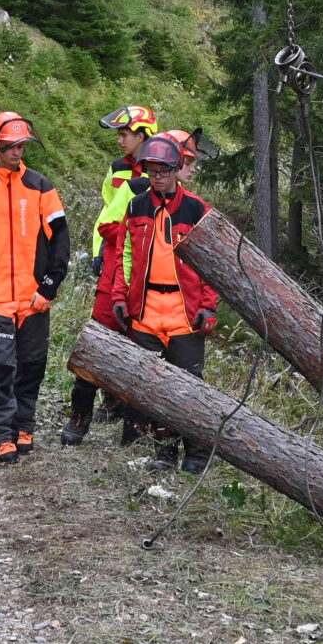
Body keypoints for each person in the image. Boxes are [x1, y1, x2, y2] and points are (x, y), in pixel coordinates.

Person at [94, 133, 218, 472]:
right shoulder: (137, 206)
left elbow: (212, 265)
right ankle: (165, 451)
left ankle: (196, 452)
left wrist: (209, 306)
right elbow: (125, 255)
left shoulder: (196, 209)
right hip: (146, 308)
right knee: (153, 387)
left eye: (164, 170)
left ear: (177, 168)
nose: (158, 176)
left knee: (190, 386)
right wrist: (120, 297)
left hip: (183, 310)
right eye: (152, 170)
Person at [0, 113, 69, 463]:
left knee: (32, 365)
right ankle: (3, 435)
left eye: (22, 146)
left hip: (35, 299)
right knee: (1, 370)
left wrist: (48, 287)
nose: (18, 152)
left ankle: (24, 426)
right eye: (11, 146)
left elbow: (60, 239)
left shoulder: (41, 186)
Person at [61, 104, 157, 446]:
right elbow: (107, 218)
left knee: (143, 351)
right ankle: (81, 414)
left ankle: (133, 424)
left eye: (125, 134)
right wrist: (102, 253)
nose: (120, 140)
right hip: (115, 271)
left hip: (149, 281)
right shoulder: (122, 176)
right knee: (97, 341)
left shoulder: (166, 181)